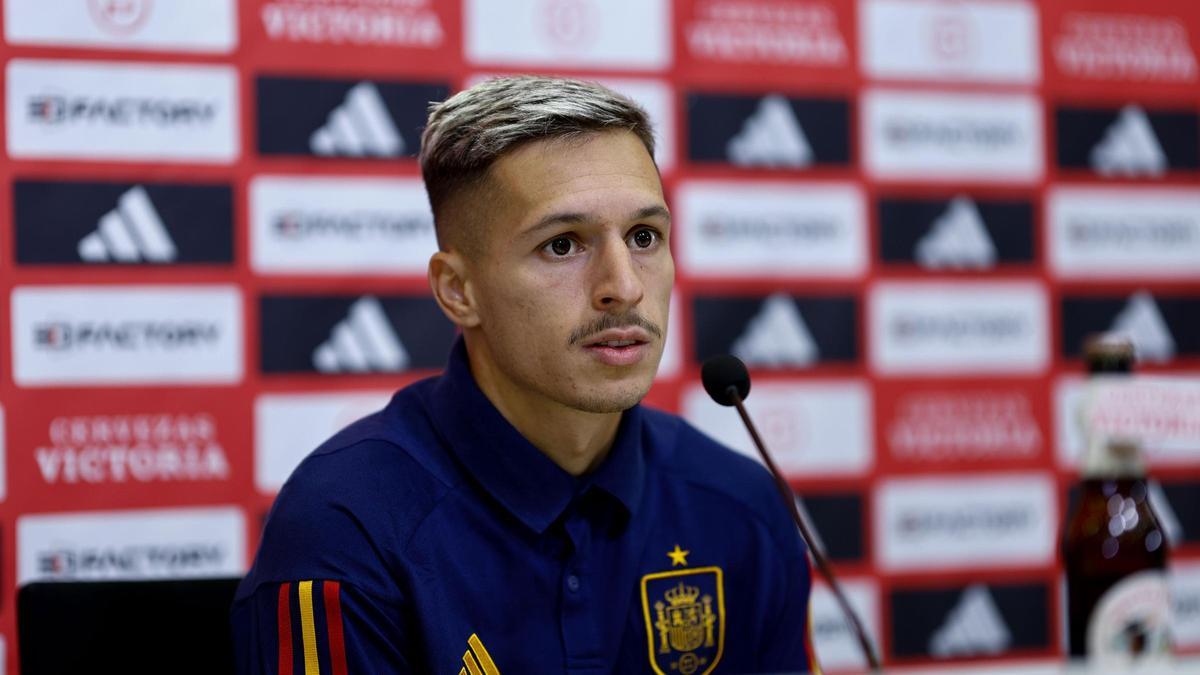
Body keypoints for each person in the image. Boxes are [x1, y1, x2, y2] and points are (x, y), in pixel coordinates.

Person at [231, 75, 818, 675]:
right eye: (563, 245)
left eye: (645, 237)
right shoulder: (346, 529)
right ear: (458, 291)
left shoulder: (741, 506)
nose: (624, 286)